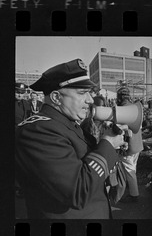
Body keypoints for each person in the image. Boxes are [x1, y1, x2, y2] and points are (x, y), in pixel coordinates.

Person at [15, 59, 127, 219]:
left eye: (89, 92)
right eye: (82, 93)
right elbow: (78, 191)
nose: (90, 100)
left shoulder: (65, 124)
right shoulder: (36, 131)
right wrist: (107, 144)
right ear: (56, 97)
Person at [116, 86, 144, 203]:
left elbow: (122, 130)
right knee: (132, 168)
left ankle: (134, 195)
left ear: (119, 97)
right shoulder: (134, 107)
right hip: (137, 145)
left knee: (129, 170)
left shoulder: (122, 109)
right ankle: (133, 186)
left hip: (129, 146)